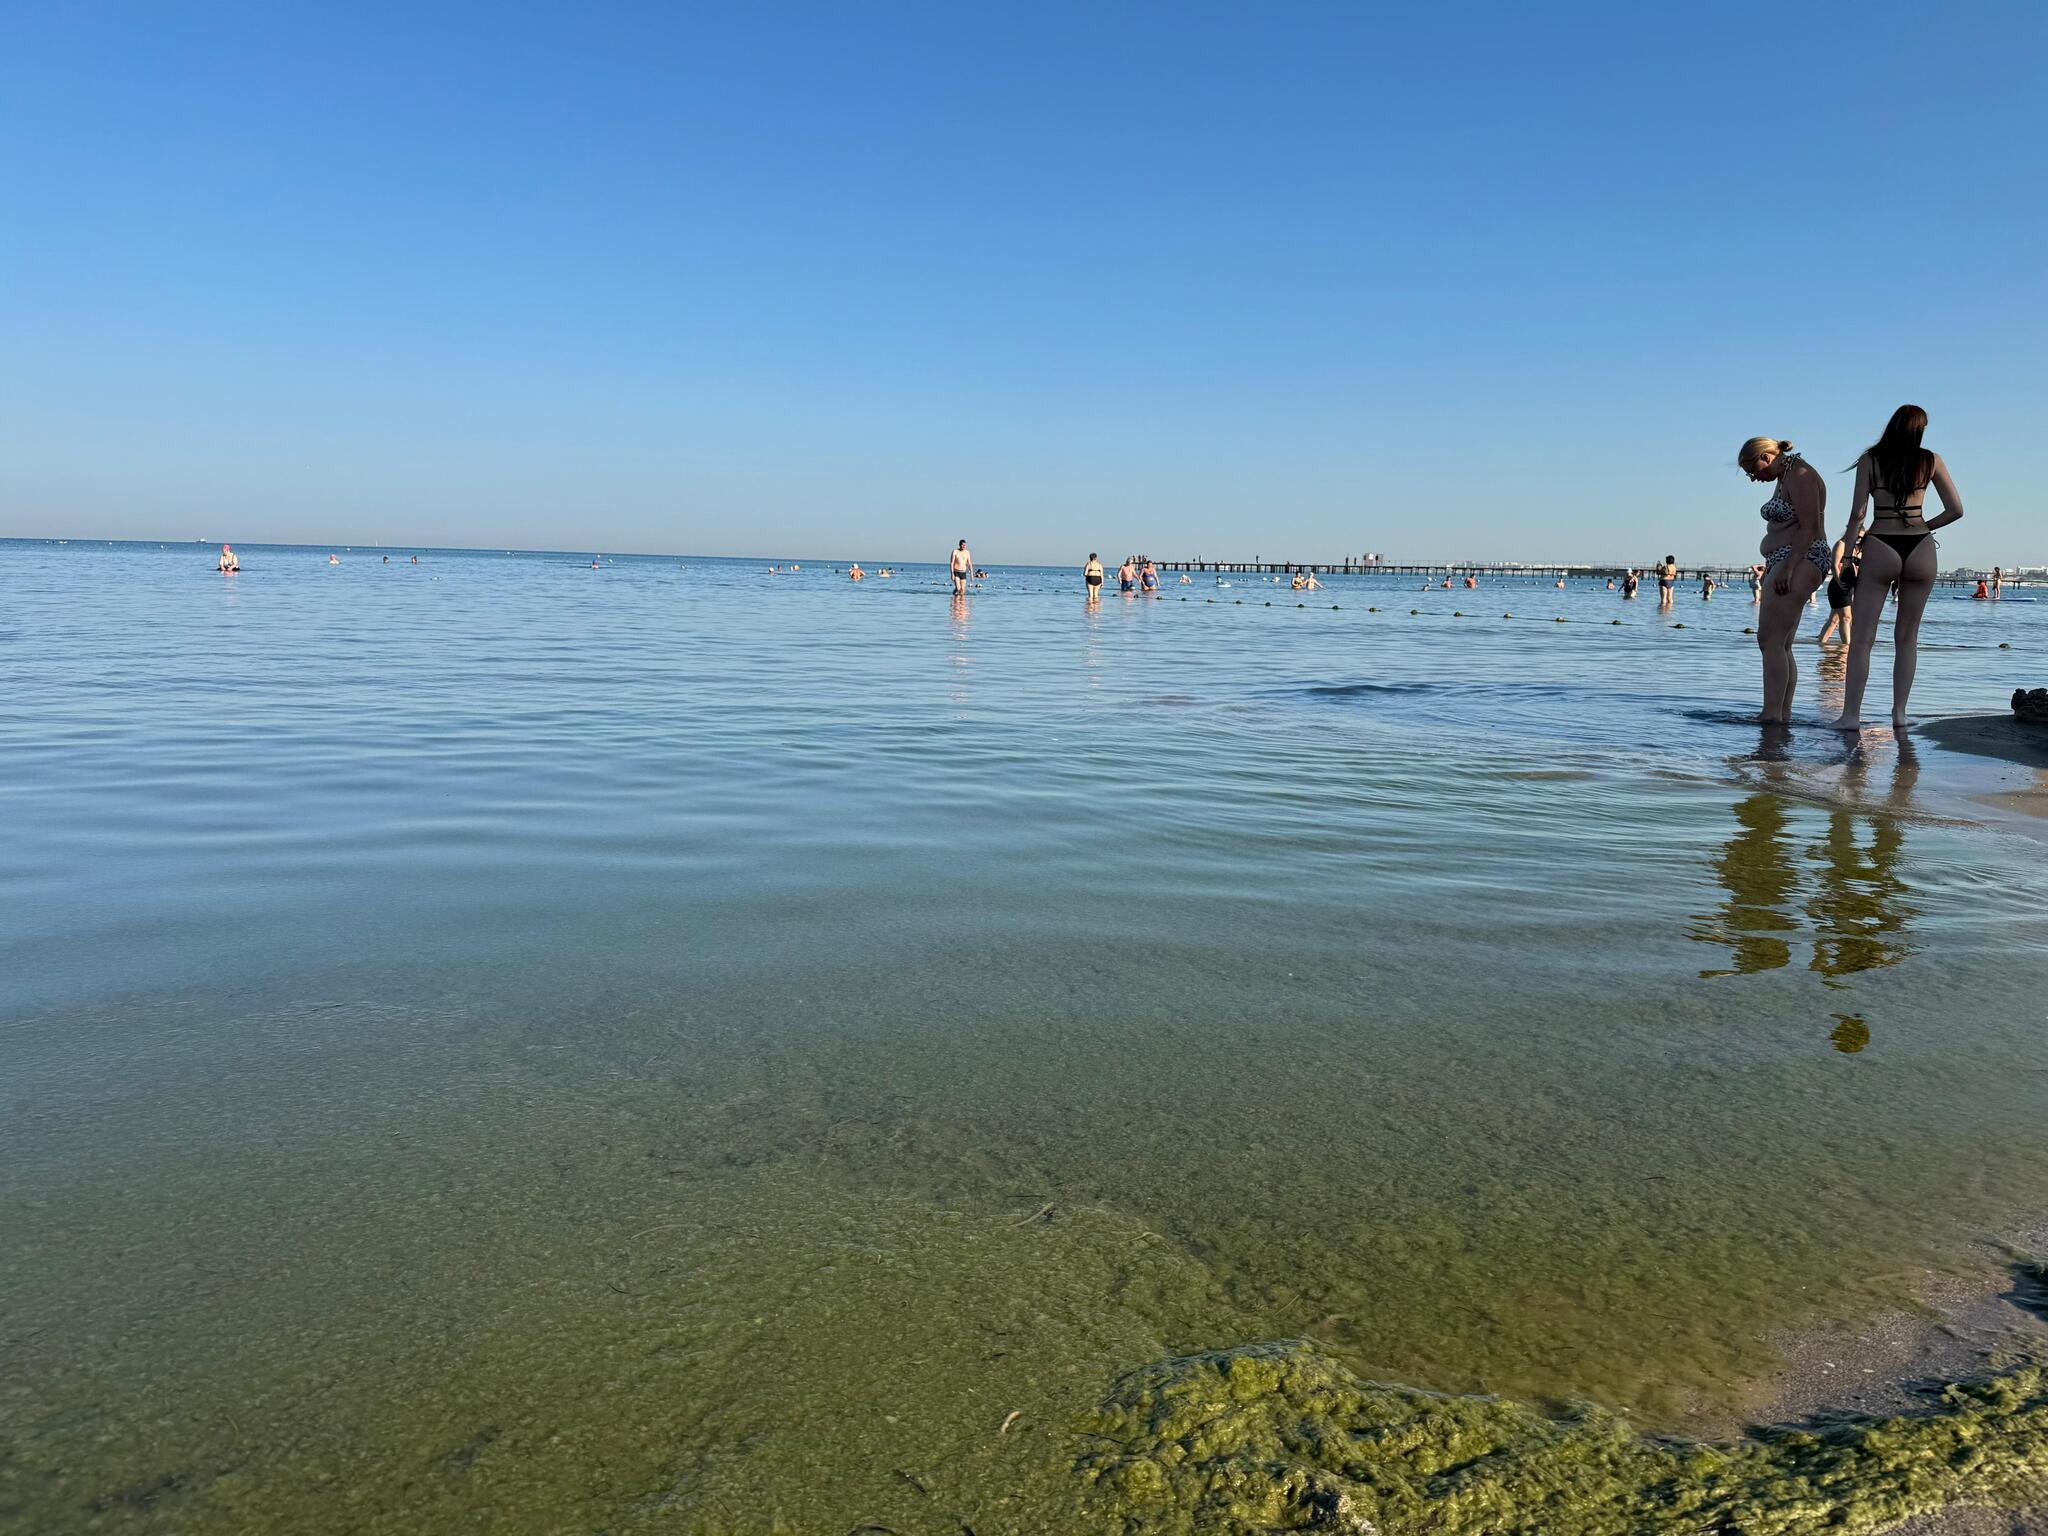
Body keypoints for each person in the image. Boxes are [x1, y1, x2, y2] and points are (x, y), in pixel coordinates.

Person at [1833, 405, 1963, 731]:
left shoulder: (1871, 460)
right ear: (1920, 430)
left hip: (1881, 543)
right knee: (1907, 638)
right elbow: (1956, 510)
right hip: (1920, 547)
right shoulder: (1930, 460)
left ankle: (1850, 717)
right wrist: (1923, 526)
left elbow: (1857, 515)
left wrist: (1847, 557)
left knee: (1862, 638)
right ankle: (1900, 714)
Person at [1737, 436, 1829, 725]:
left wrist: (1790, 567)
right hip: (1789, 558)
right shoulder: (1786, 474)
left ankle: (1771, 714)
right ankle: (1781, 714)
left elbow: (1810, 526)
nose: (1754, 479)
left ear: (1766, 457)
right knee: (1782, 643)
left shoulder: (1801, 475)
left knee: (1769, 639)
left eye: (1754, 471)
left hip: (1801, 558)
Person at [1816, 538, 1859, 646]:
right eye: (1858, 536)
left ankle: (1821, 644)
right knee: (1846, 617)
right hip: (1839, 585)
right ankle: (1846, 647)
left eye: (1862, 537)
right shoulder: (1841, 544)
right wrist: (1840, 583)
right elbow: (1834, 566)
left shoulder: (1859, 549)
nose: (1859, 539)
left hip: (1851, 587)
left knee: (1834, 620)